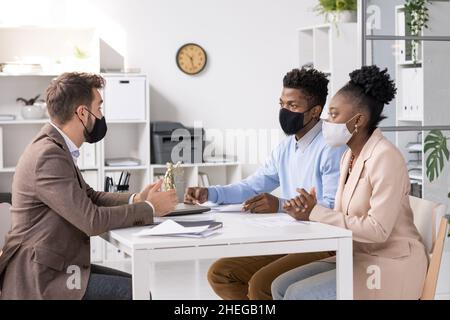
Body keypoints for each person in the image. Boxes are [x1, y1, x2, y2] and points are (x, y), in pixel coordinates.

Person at [0, 72, 178, 300]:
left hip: (56, 266)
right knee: (135, 293)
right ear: (82, 113)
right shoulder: (48, 155)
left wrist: (138, 199)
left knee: (138, 288)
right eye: (99, 108)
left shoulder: (54, 146)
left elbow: (89, 197)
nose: (101, 116)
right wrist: (151, 209)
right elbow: (91, 221)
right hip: (40, 277)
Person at [184, 68, 347, 300]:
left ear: (315, 111)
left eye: (293, 106)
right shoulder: (287, 147)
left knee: (261, 284)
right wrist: (209, 192)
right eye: (282, 104)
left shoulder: (331, 147)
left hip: (322, 241)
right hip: (293, 237)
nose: (284, 111)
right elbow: (253, 186)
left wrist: (280, 205)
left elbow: (332, 206)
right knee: (222, 273)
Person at [272, 66, 428, 300]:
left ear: (358, 121)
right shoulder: (348, 155)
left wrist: (315, 213)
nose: (326, 121)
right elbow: (343, 216)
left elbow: (378, 231)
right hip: (358, 256)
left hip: (389, 265)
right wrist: (312, 209)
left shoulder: (385, 157)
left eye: (334, 115)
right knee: (279, 285)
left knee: (296, 294)